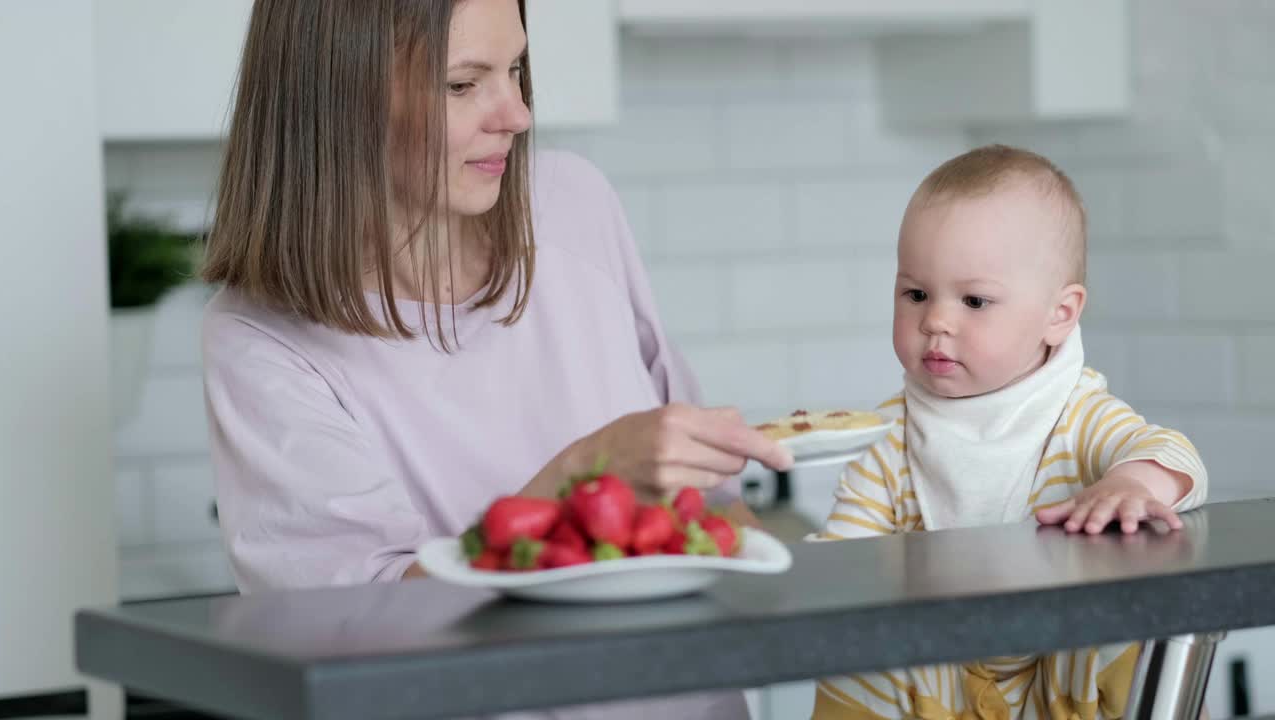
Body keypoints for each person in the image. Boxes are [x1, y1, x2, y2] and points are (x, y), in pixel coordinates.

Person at [199, 1, 788, 717]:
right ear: (338, 100)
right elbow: (352, 634)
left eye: (514, 70)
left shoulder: (572, 202)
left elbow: (707, 498)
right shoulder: (260, 341)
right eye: (462, 84)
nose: (516, 115)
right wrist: (580, 474)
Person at [809, 144, 1208, 719]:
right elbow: (846, 555)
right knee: (856, 651)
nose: (936, 320)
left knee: (1131, 610)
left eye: (975, 300)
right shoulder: (889, 438)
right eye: (916, 294)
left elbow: (1172, 453)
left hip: (1060, 669)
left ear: (1060, 314)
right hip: (934, 675)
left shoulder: (1076, 414)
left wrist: (1133, 485)